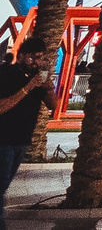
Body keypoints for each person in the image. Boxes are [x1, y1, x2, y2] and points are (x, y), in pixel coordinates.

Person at [0, 32, 48, 229]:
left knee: (4, 186)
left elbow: (54, 105)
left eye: (41, 57)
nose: (37, 61)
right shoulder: (8, 75)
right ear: (21, 57)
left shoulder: (37, 79)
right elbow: (2, 106)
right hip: (3, 140)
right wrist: (29, 87)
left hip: (22, 139)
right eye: (32, 57)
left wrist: (48, 86)